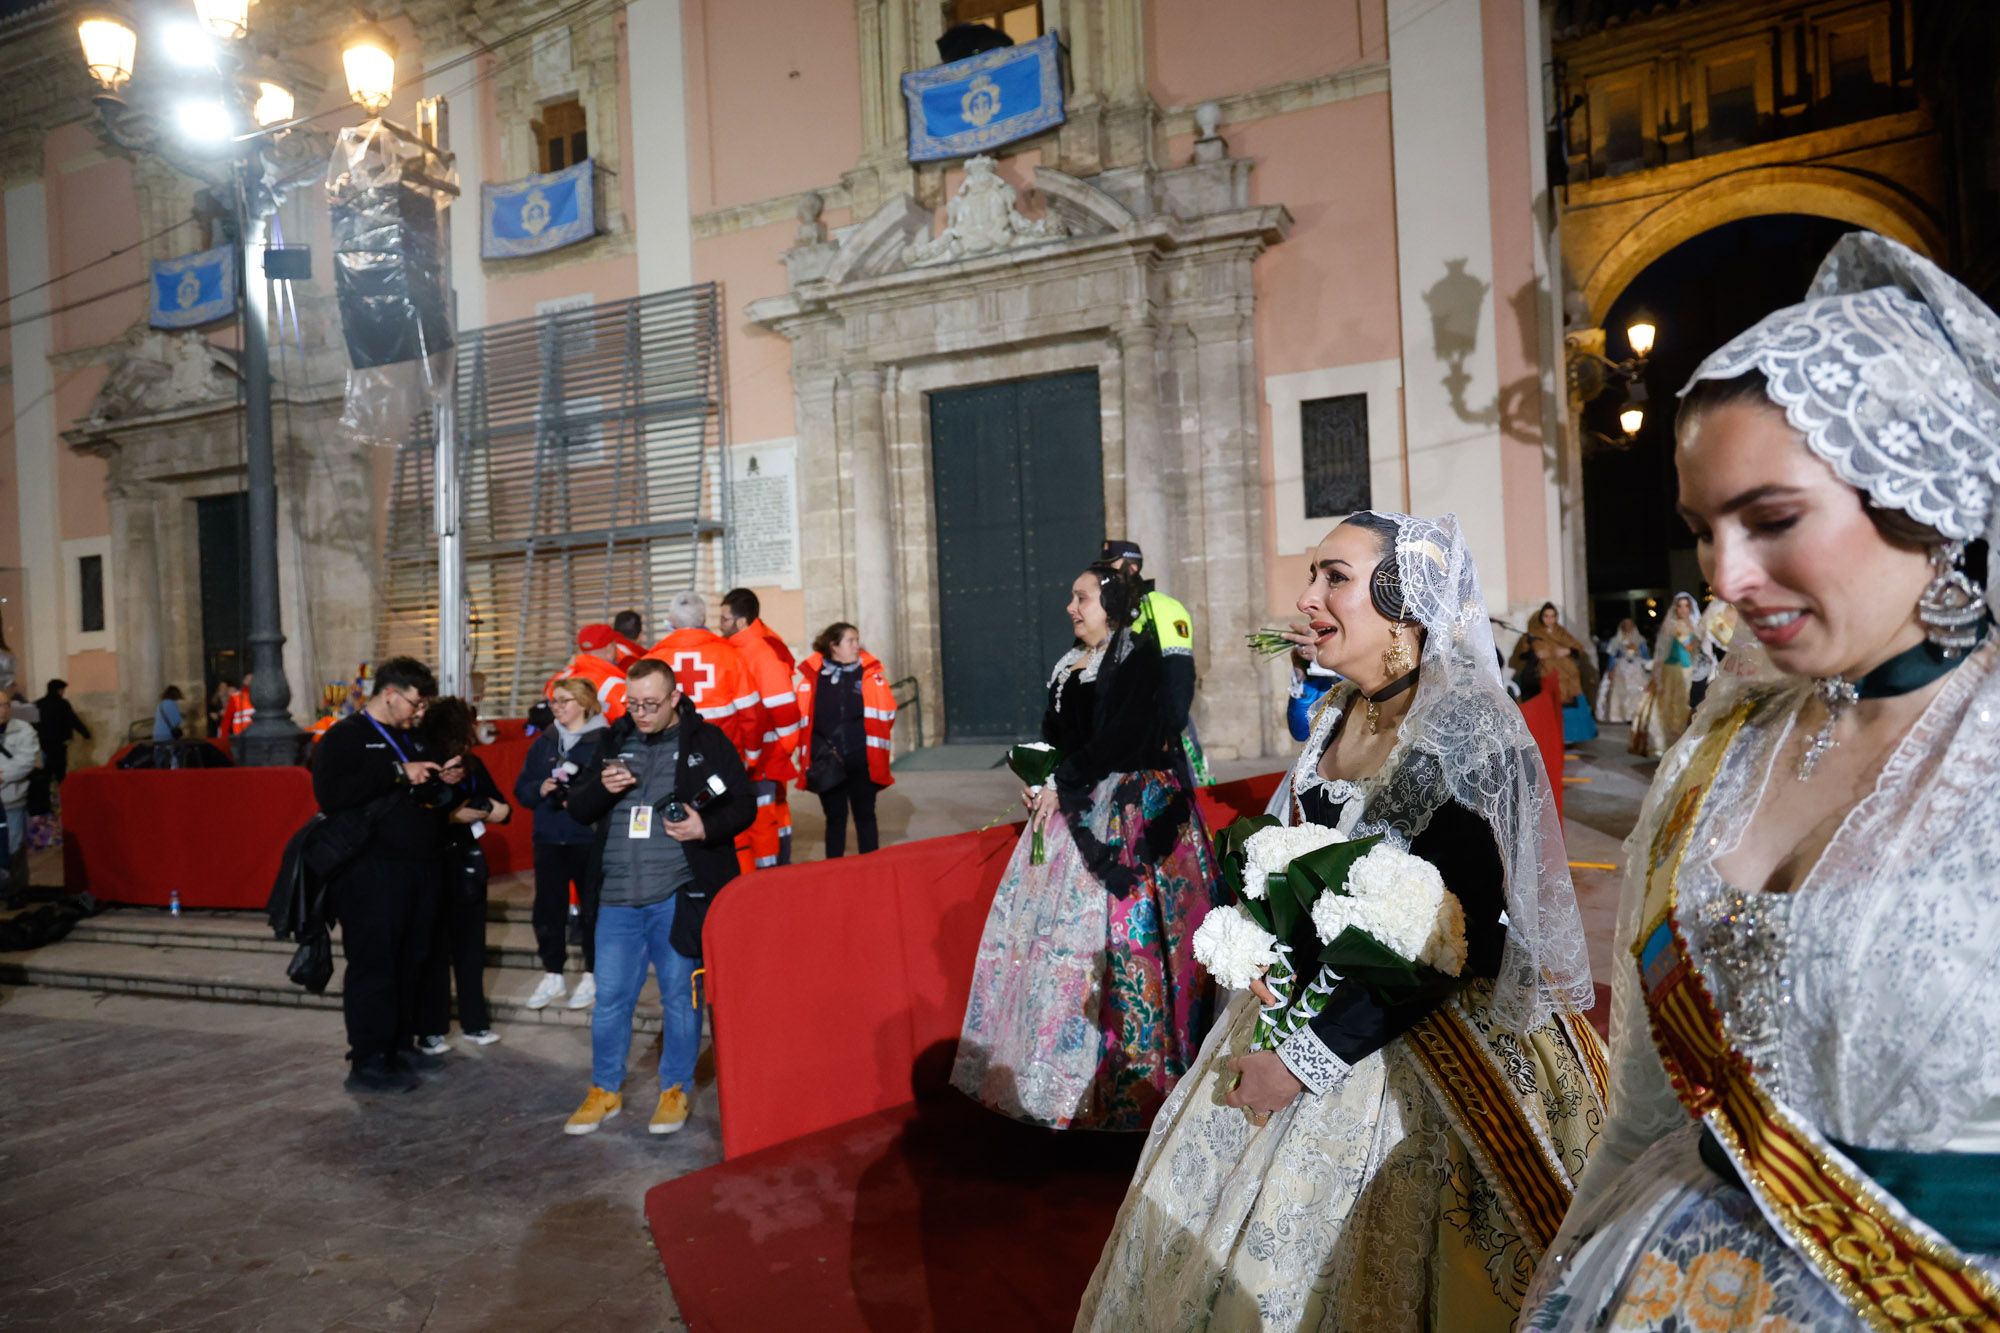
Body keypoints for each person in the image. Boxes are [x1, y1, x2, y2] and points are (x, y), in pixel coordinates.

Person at [1521, 233, 2000, 1330]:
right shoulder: (1719, 747)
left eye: (1772, 519)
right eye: (1702, 530)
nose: (1726, 578)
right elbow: (1647, 1096)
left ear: (1922, 488)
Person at [1078, 511, 1605, 1331]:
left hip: (1414, 1042)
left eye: (1334, 577)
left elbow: (1456, 937)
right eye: (1311, 577)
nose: (1306, 597)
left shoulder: (1464, 729)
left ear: (1402, 603)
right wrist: (1259, 937)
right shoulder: (1340, 713)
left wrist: (1300, 1063)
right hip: (1308, 1002)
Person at [952, 563, 1217, 1132]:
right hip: (1070, 810)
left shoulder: (1135, 658)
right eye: (1071, 598)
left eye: (1082, 599)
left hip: (1127, 817)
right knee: (1047, 950)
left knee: (1127, 948)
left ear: (1114, 605)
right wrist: (1040, 772)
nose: (1071, 609)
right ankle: (1041, 1081)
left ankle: (1130, 1089)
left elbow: (1130, 737)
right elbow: (1059, 736)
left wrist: (1066, 778)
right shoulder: (1068, 663)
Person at [560, 658, 755, 1137]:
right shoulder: (611, 739)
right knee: (610, 1002)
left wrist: (704, 825)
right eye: (633, 704)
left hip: (676, 895)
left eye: (651, 704)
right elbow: (578, 808)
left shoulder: (705, 743)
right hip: (616, 898)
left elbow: (744, 803)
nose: (641, 713)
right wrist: (602, 790)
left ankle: (676, 1088)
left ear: (674, 698)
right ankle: (605, 1088)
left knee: (680, 999)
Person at [310, 657, 454, 1094]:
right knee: (375, 964)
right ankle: (368, 1058)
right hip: (371, 872)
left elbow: (417, 786)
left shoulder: (411, 738)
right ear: (390, 692)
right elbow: (331, 795)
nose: (418, 711)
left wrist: (440, 777)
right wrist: (396, 772)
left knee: (414, 958)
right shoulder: (345, 737)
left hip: (420, 867)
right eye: (415, 701)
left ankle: (400, 1043)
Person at [415, 697, 509, 1052]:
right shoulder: (422, 766)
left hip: (466, 863)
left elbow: (504, 808)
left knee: (470, 948)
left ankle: (474, 1022)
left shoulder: (472, 766)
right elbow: (416, 813)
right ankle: (431, 1029)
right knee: (434, 950)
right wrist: (452, 814)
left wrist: (481, 808)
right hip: (431, 862)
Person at [513, 677, 611, 1011]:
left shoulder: (603, 740)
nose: (557, 707)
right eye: (554, 701)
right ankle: (552, 973)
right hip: (549, 837)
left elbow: (613, 789)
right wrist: (539, 789)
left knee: (592, 910)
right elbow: (521, 789)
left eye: (565, 700)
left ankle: (592, 973)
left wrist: (581, 796)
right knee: (547, 910)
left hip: (587, 837)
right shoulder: (545, 742)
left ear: (584, 703)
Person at [1100, 538, 1208, 783]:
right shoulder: (1112, 615)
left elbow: (1179, 674)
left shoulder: (1163, 608)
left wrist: (1168, 732)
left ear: (1132, 568)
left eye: (1110, 567)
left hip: (1160, 736)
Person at [793, 623, 896, 858]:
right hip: (828, 761)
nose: (856, 645)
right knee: (835, 819)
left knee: (866, 817)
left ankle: (870, 867)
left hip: (861, 760)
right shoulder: (814, 678)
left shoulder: (870, 675)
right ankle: (835, 871)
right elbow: (805, 719)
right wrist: (819, 751)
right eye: (850, 641)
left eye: (857, 640)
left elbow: (886, 713)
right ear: (833, 646)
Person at [718, 588, 802, 870]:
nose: (720, 624)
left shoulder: (760, 652)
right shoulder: (750, 646)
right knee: (771, 816)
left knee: (762, 819)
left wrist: (781, 751)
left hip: (763, 755)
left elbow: (784, 709)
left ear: (740, 622)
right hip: (760, 752)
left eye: (725, 618)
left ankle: (770, 877)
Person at [644, 593, 768, 782]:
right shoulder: (730, 656)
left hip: (669, 760)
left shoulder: (651, 662)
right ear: (702, 618)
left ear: (671, 621)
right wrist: (752, 756)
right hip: (724, 756)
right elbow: (750, 713)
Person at [1628, 592, 1706, 757]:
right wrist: (1657, 676)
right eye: (1680, 605)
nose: (1683, 609)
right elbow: (1661, 651)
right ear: (1675, 608)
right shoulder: (1670, 625)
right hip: (1670, 670)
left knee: (1686, 706)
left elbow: (1699, 649)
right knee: (1666, 706)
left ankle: (1684, 745)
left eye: (1686, 606)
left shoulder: (1696, 625)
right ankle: (1664, 745)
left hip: (1689, 671)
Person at [0, 693, 42, 895]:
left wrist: (3, 775)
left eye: (6, 705)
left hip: (11, 798)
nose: (3, 709)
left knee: (14, 846)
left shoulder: (23, 729)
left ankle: (16, 891)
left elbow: (26, 761)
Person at [545, 625, 631, 721]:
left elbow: (548, 691)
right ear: (610, 648)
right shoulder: (617, 686)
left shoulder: (562, 678)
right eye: (615, 644)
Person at [30, 679, 89, 789]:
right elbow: (73, 720)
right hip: (59, 743)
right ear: (59, 690)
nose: (63, 693)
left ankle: (46, 796)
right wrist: (85, 733)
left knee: (46, 770)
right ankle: (63, 796)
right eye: (63, 690)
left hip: (43, 743)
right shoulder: (62, 704)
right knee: (60, 771)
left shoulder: (38, 704)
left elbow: (33, 724)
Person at [1595, 618, 1651, 724]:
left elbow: (1646, 657)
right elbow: (1612, 656)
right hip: (1621, 668)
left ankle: (1637, 713)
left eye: (1630, 624)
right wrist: (1611, 670)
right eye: (1625, 624)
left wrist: (1637, 651)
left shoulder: (1640, 640)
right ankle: (1623, 714)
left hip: (1636, 668)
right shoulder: (1616, 640)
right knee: (1621, 690)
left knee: (1637, 690)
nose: (1628, 627)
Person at [222, 671, 255, 739]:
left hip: (255, 735)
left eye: (252, 679)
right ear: (243, 681)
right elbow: (227, 719)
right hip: (240, 735)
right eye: (247, 679)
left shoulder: (261, 696)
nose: (249, 681)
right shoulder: (236, 697)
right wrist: (224, 737)